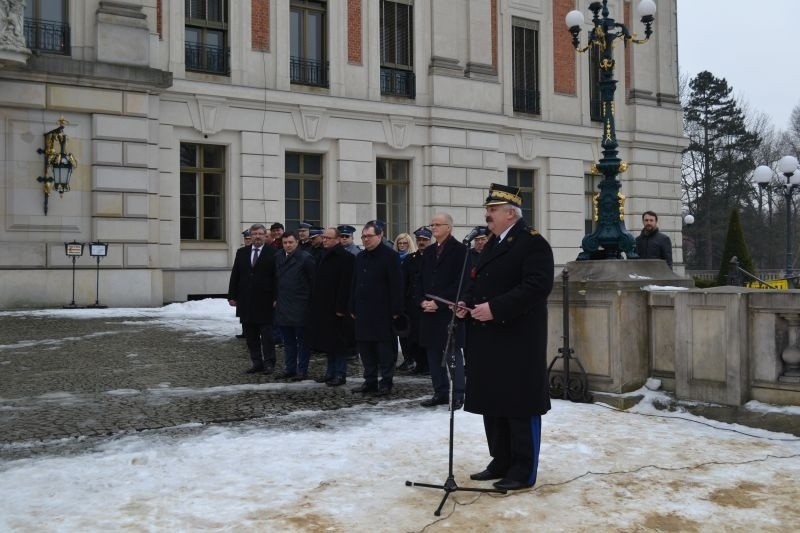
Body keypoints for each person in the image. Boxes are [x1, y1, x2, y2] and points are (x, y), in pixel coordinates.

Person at [456, 183, 554, 492]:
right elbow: (480, 282)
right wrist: (466, 305)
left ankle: (522, 471)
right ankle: (501, 460)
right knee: (493, 403)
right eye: (488, 210)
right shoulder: (491, 244)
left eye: (493, 210)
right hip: (488, 340)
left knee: (518, 405)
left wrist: (495, 309)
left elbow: (537, 287)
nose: (487, 215)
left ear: (511, 213)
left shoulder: (532, 243)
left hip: (518, 341)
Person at [416, 213, 467, 409]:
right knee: (433, 354)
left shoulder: (460, 251)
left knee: (452, 353)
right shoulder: (428, 252)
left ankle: (459, 394)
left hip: (447, 310)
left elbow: (460, 283)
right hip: (428, 311)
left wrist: (440, 303)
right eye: (432, 224)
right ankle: (440, 391)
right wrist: (422, 301)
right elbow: (420, 280)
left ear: (449, 227)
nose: (433, 228)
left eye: (438, 224)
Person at [349, 221, 403, 396]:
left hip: (383, 312)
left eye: (369, 236)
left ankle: (386, 382)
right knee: (365, 349)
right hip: (363, 311)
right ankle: (370, 380)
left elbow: (396, 285)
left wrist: (396, 311)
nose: (365, 240)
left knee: (384, 350)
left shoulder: (390, 256)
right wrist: (352, 304)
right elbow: (355, 283)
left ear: (380, 236)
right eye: (363, 236)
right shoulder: (360, 257)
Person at [306, 227, 356, 387]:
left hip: (337, 309)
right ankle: (330, 372)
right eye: (324, 237)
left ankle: (340, 374)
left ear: (337, 239)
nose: (325, 240)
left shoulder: (346, 257)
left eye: (328, 238)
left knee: (339, 343)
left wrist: (341, 308)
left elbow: (346, 284)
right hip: (323, 307)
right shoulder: (323, 255)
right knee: (329, 342)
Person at [228, 224, 277, 374]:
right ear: (250, 235)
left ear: (265, 235)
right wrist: (232, 295)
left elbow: (277, 277)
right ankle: (256, 362)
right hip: (246, 300)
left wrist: (276, 297)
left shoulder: (274, 252)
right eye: (254, 234)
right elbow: (235, 274)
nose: (257, 236)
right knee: (251, 336)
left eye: (260, 234)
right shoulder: (242, 252)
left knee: (267, 336)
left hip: (265, 300)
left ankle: (269, 363)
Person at [274, 231, 316, 381]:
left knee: (303, 342)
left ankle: (302, 370)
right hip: (284, 305)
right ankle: (290, 368)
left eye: (290, 242)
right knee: (288, 341)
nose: (288, 245)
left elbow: (313, 284)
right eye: (285, 243)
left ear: (297, 242)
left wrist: (310, 305)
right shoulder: (278, 257)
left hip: (301, 307)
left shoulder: (305, 258)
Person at [398, 226, 431, 374]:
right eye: (419, 239)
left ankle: (428, 365)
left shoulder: (434, 258)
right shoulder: (410, 260)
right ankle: (419, 364)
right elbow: (403, 282)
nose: (422, 242)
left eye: (425, 239)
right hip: (412, 304)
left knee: (426, 337)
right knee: (413, 338)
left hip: (429, 304)